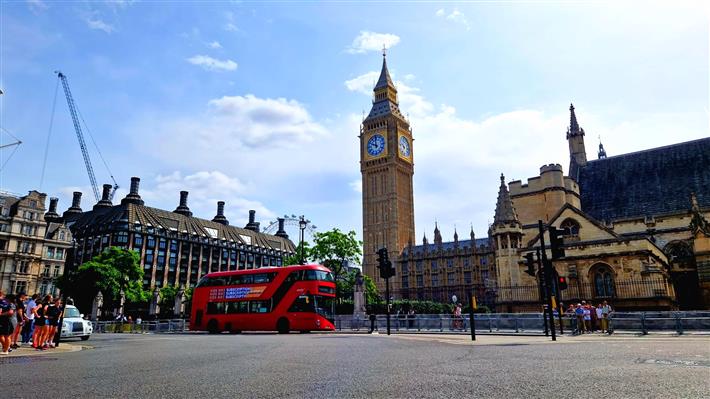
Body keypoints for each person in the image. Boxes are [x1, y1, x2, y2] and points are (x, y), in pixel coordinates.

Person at [0, 290, 15, 354]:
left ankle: (6, 350)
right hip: (3, 321)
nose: (4, 299)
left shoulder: (11, 304)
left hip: (8, 321)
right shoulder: (5, 303)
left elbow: (10, 312)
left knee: (7, 336)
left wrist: (2, 314)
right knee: (1, 335)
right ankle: (6, 347)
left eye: (6, 298)